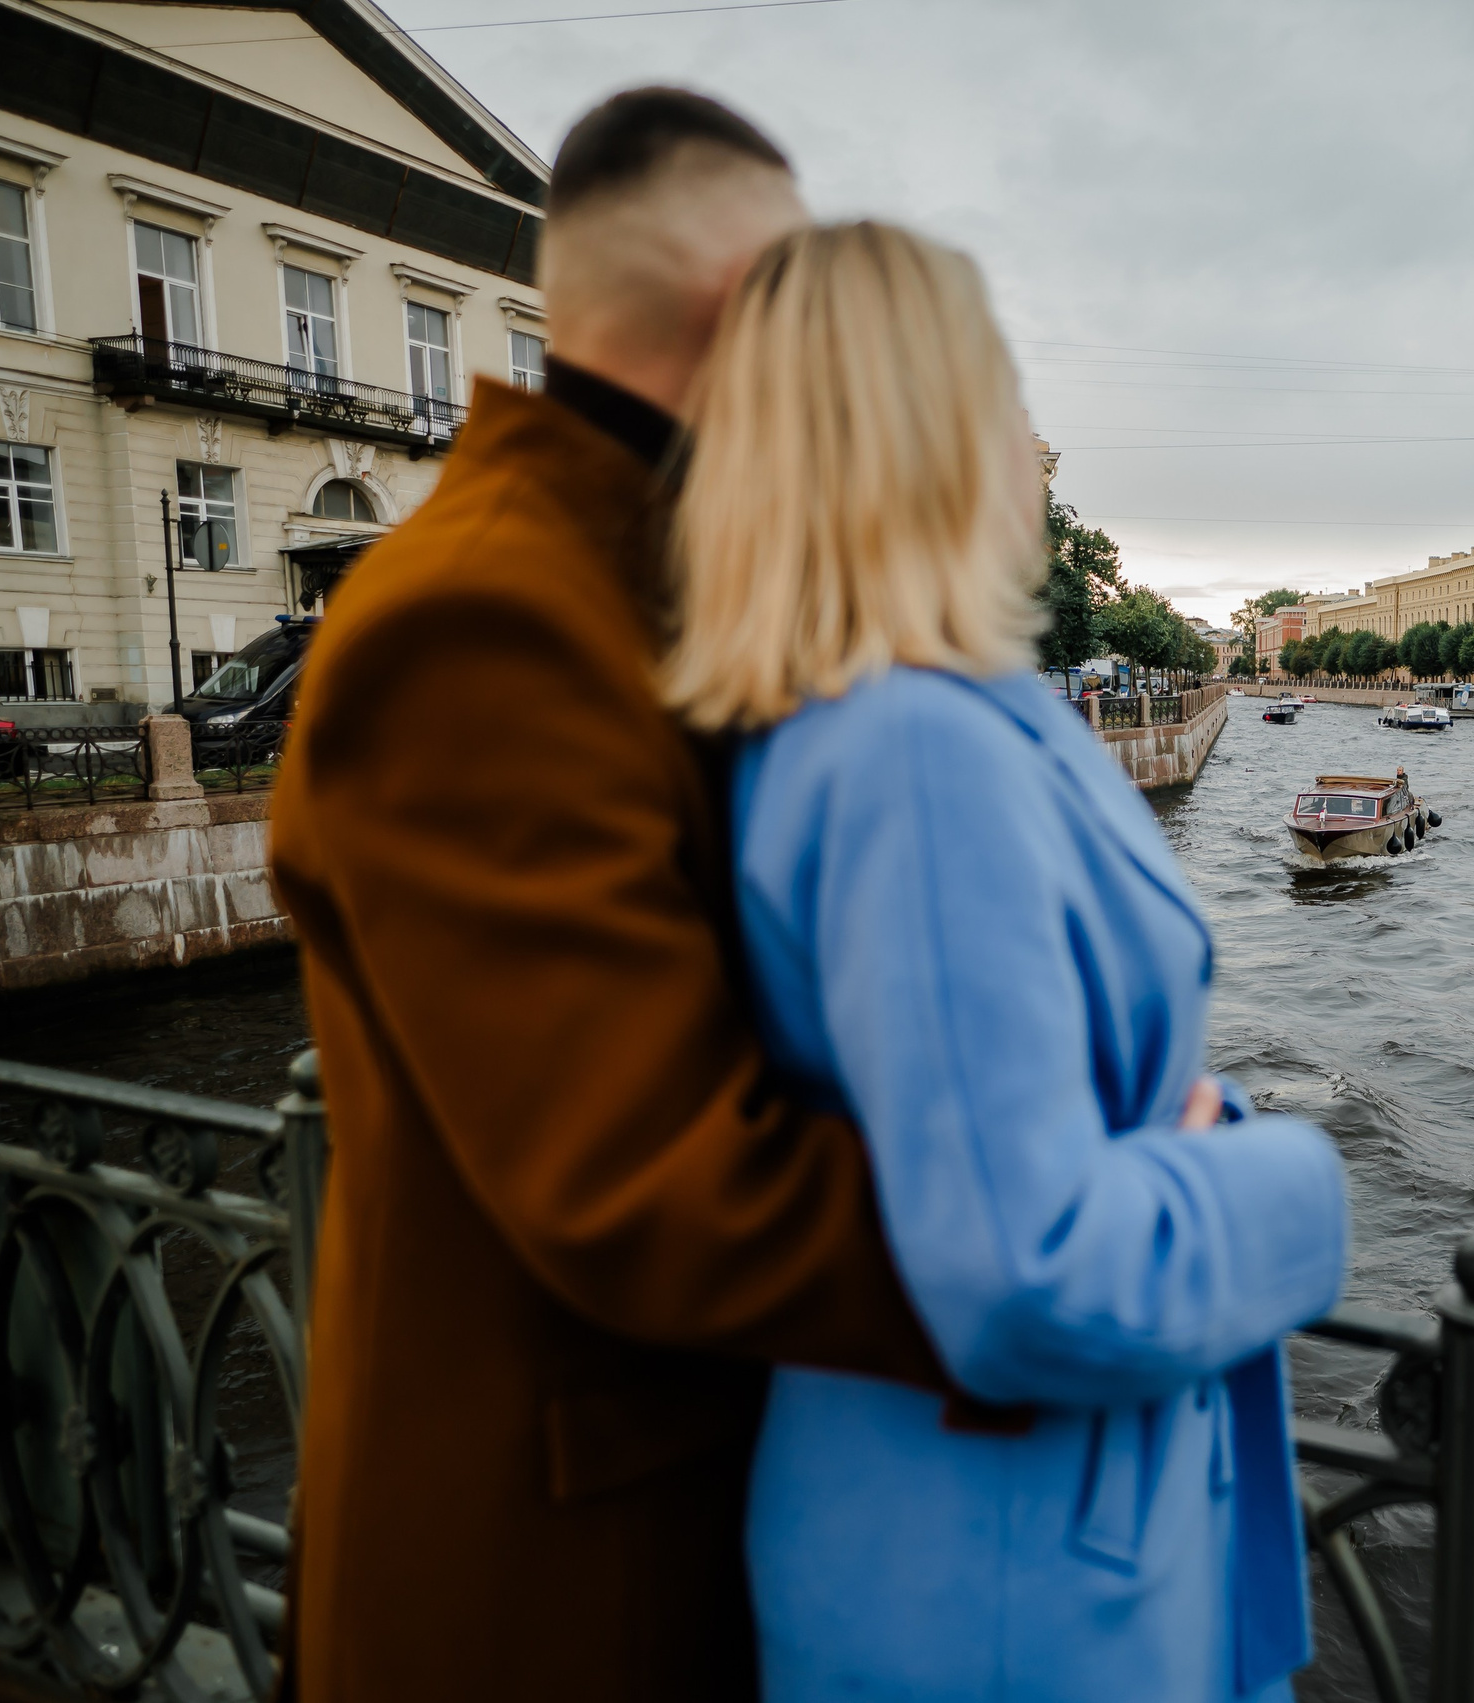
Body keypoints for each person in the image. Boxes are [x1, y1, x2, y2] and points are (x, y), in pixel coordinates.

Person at [271, 93, 970, 1702]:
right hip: (556, 1592)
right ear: (746, 316)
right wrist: (1084, 1240)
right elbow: (654, 1191)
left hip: (648, 1528)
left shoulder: (617, 574)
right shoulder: (486, 617)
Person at [660, 222, 1351, 1701]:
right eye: (1004, 396)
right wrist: (1282, 1178)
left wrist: (1170, 1131)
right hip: (1005, 1574)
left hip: (978, 1520)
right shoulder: (917, 751)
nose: (1035, 446)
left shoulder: (881, 712)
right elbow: (1026, 1276)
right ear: (943, 434)